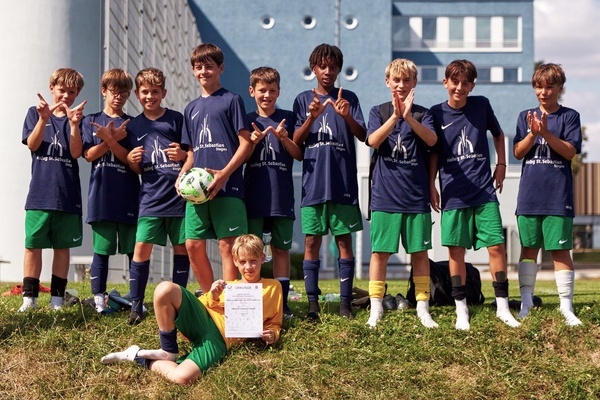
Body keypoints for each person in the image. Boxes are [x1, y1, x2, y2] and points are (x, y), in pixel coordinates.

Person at [101, 234, 282, 386]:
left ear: (262, 258)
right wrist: (213, 295)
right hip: (204, 318)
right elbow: (202, 304)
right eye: (242, 262)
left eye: (253, 261)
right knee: (165, 289)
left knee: (182, 378)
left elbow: (275, 322)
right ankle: (168, 350)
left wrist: (272, 335)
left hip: (220, 340)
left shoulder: (273, 287)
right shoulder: (228, 286)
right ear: (235, 261)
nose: (248, 267)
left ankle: (136, 356)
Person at [428, 59, 520, 330]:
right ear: (445, 82)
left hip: (484, 192)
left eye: (465, 83)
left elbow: (498, 135)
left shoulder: (481, 105)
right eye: (454, 82)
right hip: (453, 194)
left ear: (472, 86)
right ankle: (461, 309)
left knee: (497, 247)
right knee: (456, 252)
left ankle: (502, 306)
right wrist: (431, 184)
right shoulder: (436, 113)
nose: (459, 87)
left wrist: (501, 164)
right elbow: (433, 153)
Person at [292, 43, 366, 319]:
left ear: (338, 70)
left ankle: (345, 304)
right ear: (314, 68)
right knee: (312, 241)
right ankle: (313, 305)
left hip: (342, 184)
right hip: (313, 185)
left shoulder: (349, 98)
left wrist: (347, 116)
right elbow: (295, 143)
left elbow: (363, 135)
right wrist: (310, 118)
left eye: (333, 67)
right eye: (322, 66)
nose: (327, 71)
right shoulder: (303, 100)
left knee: (344, 241)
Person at [365, 59, 438, 328]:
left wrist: (407, 116)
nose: (401, 85)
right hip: (385, 197)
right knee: (380, 253)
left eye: (407, 80)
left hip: (415, 197)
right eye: (396, 80)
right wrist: (395, 116)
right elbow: (373, 141)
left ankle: (422, 307)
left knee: (419, 253)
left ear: (414, 83)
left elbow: (432, 140)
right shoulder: (378, 111)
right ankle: (376, 307)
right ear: (388, 82)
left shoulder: (423, 114)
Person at [179, 43, 253, 292]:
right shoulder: (190, 108)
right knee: (192, 244)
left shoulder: (232, 100)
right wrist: (182, 175)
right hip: (197, 191)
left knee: (228, 246)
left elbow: (246, 144)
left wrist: (223, 175)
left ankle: (230, 301)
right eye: (199, 67)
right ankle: (211, 298)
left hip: (228, 187)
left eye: (209, 67)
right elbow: (192, 152)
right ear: (193, 70)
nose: (204, 72)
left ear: (220, 68)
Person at [513, 63, 582, 326]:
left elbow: (569, 152)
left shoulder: (569, 116)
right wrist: (533, 134)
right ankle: (526, 303)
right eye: (539, 87)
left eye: (549, 87)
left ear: (559, 88)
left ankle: (566, 307)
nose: (544, 92)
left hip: (557, 197)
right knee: (528, 249)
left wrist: (545, 133)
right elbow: (518, 152)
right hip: (529, 197)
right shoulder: (525, 116)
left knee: (560, 250)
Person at [125, 67, 190, 325]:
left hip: (178, 198)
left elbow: (191, 153)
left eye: (155, 91)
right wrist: (131, 161)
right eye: (145, 92)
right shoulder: (133, 126)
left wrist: (182, 156)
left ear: (164, 93)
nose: (150, 96)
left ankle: (179, 302)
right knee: (141, 248)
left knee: (182, 248)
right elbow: (136, 167)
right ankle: (136, 305)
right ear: (137, 94)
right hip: (150, 198)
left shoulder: (176, 119)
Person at [19, 68, 86, 312]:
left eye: (72, 92)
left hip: (67, 196)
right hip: (39, 194)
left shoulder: (79, 118)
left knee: (62, 247)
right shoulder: (34, 113)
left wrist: (74, 125)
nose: (66, 96)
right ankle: (29, 299)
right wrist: (43, 119)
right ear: (52, 88)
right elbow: (32, 144)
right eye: (62, 90)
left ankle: (57, 300)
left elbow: (76, 153)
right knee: (32, 245)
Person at [244, 66, 302, 318]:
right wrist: (252, 142)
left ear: (278, 91)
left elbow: (299, 154)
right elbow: (240, 157)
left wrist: (285, 138)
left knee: (280, 250)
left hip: (281, 196)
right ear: (252, 91)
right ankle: (251, 302)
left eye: (272, 90)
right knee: (251, 251)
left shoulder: (288, 117)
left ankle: (281, 304)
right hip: (253, 196)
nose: (267, 95)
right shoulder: (246, 120)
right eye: (262, 90)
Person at [81, 69, 140, 313]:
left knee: (132, 250)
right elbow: (88, 154)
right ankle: (98, 298)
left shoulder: (134, 124)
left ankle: (136, 299)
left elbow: (132, 161)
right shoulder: (91, 120)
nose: (119, 97)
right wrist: (109, 139)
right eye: (114, 91)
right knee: (101, 249)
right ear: (104, 91)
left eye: (124, 92)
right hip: (101, 196)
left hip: (128, 195)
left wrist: (113, 140)